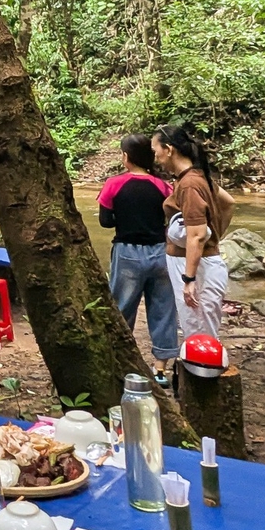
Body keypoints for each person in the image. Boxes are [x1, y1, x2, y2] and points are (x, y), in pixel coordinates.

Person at [97, 134, 178, 376]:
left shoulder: (114, 184)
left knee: (121, 309)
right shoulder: (164, 186)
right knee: (163, 309)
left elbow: (104, 221)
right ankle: (161, 369)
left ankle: (120, 361)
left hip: (127, 252)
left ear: (126, 157)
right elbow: (173, 218)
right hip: (160, 252)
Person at [153, 122, 233, 342]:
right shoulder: (198, 177)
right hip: (203, 263)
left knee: (198, 331)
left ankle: (202, 375)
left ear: (169, 150)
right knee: (200, 329)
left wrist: (189, 279)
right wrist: (215, 237)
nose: (156, 157)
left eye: (156, 151)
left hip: (198, 269)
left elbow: (196, 235)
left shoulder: (188, 185)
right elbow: (228, 203)